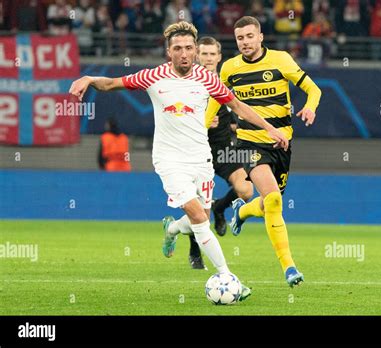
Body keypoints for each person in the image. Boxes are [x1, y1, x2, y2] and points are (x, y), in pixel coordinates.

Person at [69, 21, 289, 300]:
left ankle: (172, 228)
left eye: (188, 48)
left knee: (201, 219)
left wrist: (270, 129)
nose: (183, 53)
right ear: (168, 52)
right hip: (169, 160)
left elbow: (238, 107)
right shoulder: (153, 76)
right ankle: (227, 276)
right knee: (199, 217)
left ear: (196, 51)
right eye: (177, 49)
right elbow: (112, 84)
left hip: (201, 159)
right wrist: (88, 79)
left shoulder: (207, 79)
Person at [209, 16, 322, 287]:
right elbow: (216, 101)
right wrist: (203, 126)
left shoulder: (281, 60)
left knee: (271, 203)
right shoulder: (229, 69)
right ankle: (289, 267)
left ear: (260, 37)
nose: (245, 42)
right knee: (272, 201)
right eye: (240, 38)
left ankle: (243, 212)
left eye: (250, 36)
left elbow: (313, 89)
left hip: (282, 145)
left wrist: (310, 107)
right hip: (249, 144)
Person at [186, 36, 254, 270]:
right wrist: (202, 122)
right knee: (196, 205)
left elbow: (235, 118)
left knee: (246, 189)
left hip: (224, 149)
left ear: (219, 57)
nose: (207, 58)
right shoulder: (189, 83)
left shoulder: (226, 84)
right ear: (197, 56)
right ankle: (195, 251)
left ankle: (220, 207)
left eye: (212, 54)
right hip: (196, 149)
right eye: (203, 54)